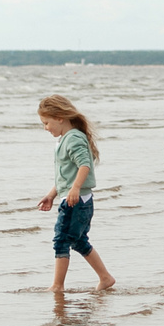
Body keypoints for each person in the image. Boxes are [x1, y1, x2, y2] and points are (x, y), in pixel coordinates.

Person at [36, 94, 115, 300]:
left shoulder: (73, 138)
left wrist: (75, 189)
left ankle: (57, 286)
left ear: (60, 117)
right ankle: (105, 277)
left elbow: (84, 166)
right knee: (78, 240)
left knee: (61, 240)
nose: (45, 128)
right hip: (76, 198)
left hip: (76, 200)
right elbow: (66, 176)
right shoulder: (67, 139)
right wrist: (51, 195)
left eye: (46, 123)